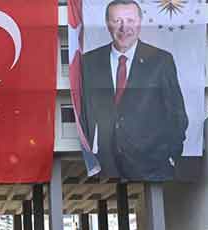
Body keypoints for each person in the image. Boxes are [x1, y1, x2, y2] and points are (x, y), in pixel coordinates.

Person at [79, 0, 188, 181]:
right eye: (117, 21)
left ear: (139, 22)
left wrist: (169, 154)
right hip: (107, 167)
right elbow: (84, 112)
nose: (124, 27)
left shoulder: (161, 60)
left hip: (153, 166)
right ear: (107, 24)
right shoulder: (89, 62)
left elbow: (177, 114)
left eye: (130, 20)